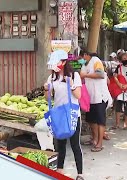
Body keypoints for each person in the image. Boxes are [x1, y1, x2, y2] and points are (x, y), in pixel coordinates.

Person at [43, 50, 84, 179]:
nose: (55, 66)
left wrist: (70, 84)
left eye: (57, 63)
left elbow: (78, 95)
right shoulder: (52, 77)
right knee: (60, 145)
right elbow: (47, 98)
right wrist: (46, 90)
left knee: (75, 145)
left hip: (72, 115)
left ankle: (80, 174)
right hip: (58, 115)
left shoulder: (74, 75)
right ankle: (59, 171)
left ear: (64, 62)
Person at [79, 49, 110, 152]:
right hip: (90, 98)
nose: (81, 60)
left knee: (100, 121)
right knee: (91, 120)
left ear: (86, 55)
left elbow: (100, 75)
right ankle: (94, 139)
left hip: (100, 97)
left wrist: (86, 75)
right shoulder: (84, 65)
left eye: (81, 58)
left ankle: (100, 144)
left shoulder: (96, 61)